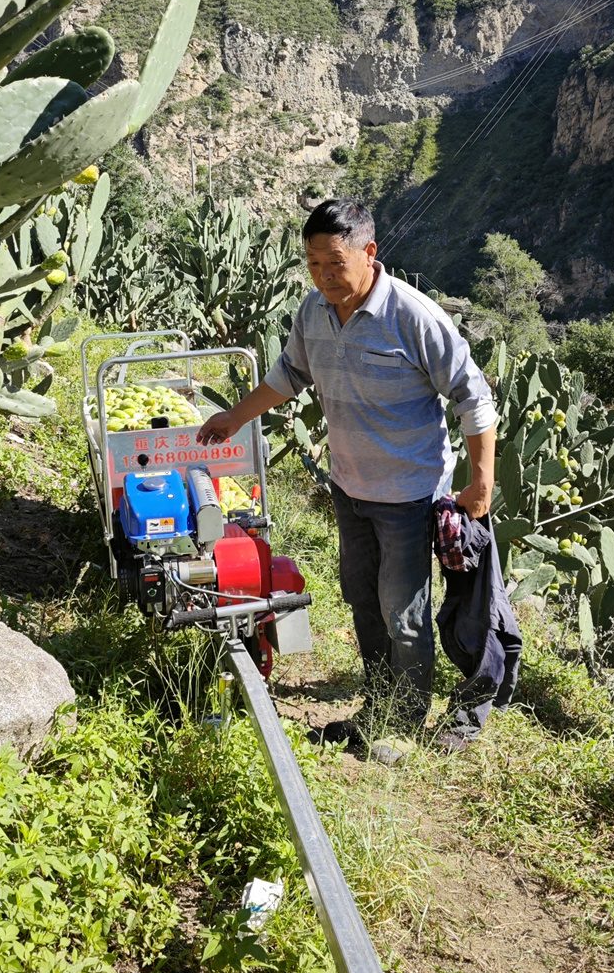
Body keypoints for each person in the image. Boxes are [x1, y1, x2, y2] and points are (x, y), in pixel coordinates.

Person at [197, 199, 497, 736]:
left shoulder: (413, 315)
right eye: (313, 264)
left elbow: (472, 396)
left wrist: (482, 482)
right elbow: (289, 375)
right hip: (349, 485)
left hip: (408, 493)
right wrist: (234, 417)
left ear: (369, 252)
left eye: (335, 262)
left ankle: (402, 724)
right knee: (362, 598)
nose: (324, 276)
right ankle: (379, 703)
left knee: (403, 611)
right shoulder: (313, 312)